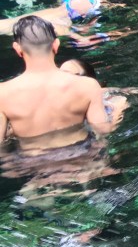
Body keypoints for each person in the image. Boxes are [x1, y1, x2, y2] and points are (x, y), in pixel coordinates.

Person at [0, 16, 111, 148]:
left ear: (17, 49)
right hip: (81, 157)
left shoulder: (3, 94)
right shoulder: (88, 86)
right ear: (56, 45)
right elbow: (102, 130)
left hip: (31, 160)